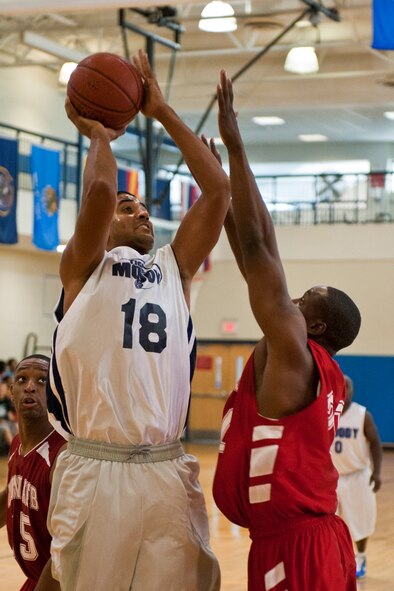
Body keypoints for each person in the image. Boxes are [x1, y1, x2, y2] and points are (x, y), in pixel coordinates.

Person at [46, 50, 230, 591]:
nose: (141, 211)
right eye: (129, 208)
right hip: (97, 469)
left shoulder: (175, 269)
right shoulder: (83, 267)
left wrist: (163, 111)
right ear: (102, 228)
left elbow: (218, 191)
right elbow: (101, 191)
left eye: (145, 207)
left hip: (166, 469)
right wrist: (100, 136)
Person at [211, 71, 361, 591]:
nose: (290, 300)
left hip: (298, 544)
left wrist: (235, 147)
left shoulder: (295, 352)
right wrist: (218, 193)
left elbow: (259, 248)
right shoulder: (319, 368)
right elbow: (254, 252)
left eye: (303, 300)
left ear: (314, 324)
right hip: (302, 537)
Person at [0, 354, 66, 591]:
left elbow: (67, 548)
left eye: (41, 381)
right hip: (36, 579)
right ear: (11, 391)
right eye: (22, 380)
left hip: (61, 582)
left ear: (56, 393)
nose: (30, 387)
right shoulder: (17, 443)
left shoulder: (63, 455)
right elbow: (12, 494)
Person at [331, 375, 382, 579]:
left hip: (357, 475)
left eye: (349, 388)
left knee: (360, 521)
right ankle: (334, 559)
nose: (347, 391)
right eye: (343, 387)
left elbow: (376, 443)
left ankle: (360, 555)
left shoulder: (362, 415)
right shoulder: (326, 412)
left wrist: (377, 472)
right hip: (331, 477)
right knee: (327, 522)